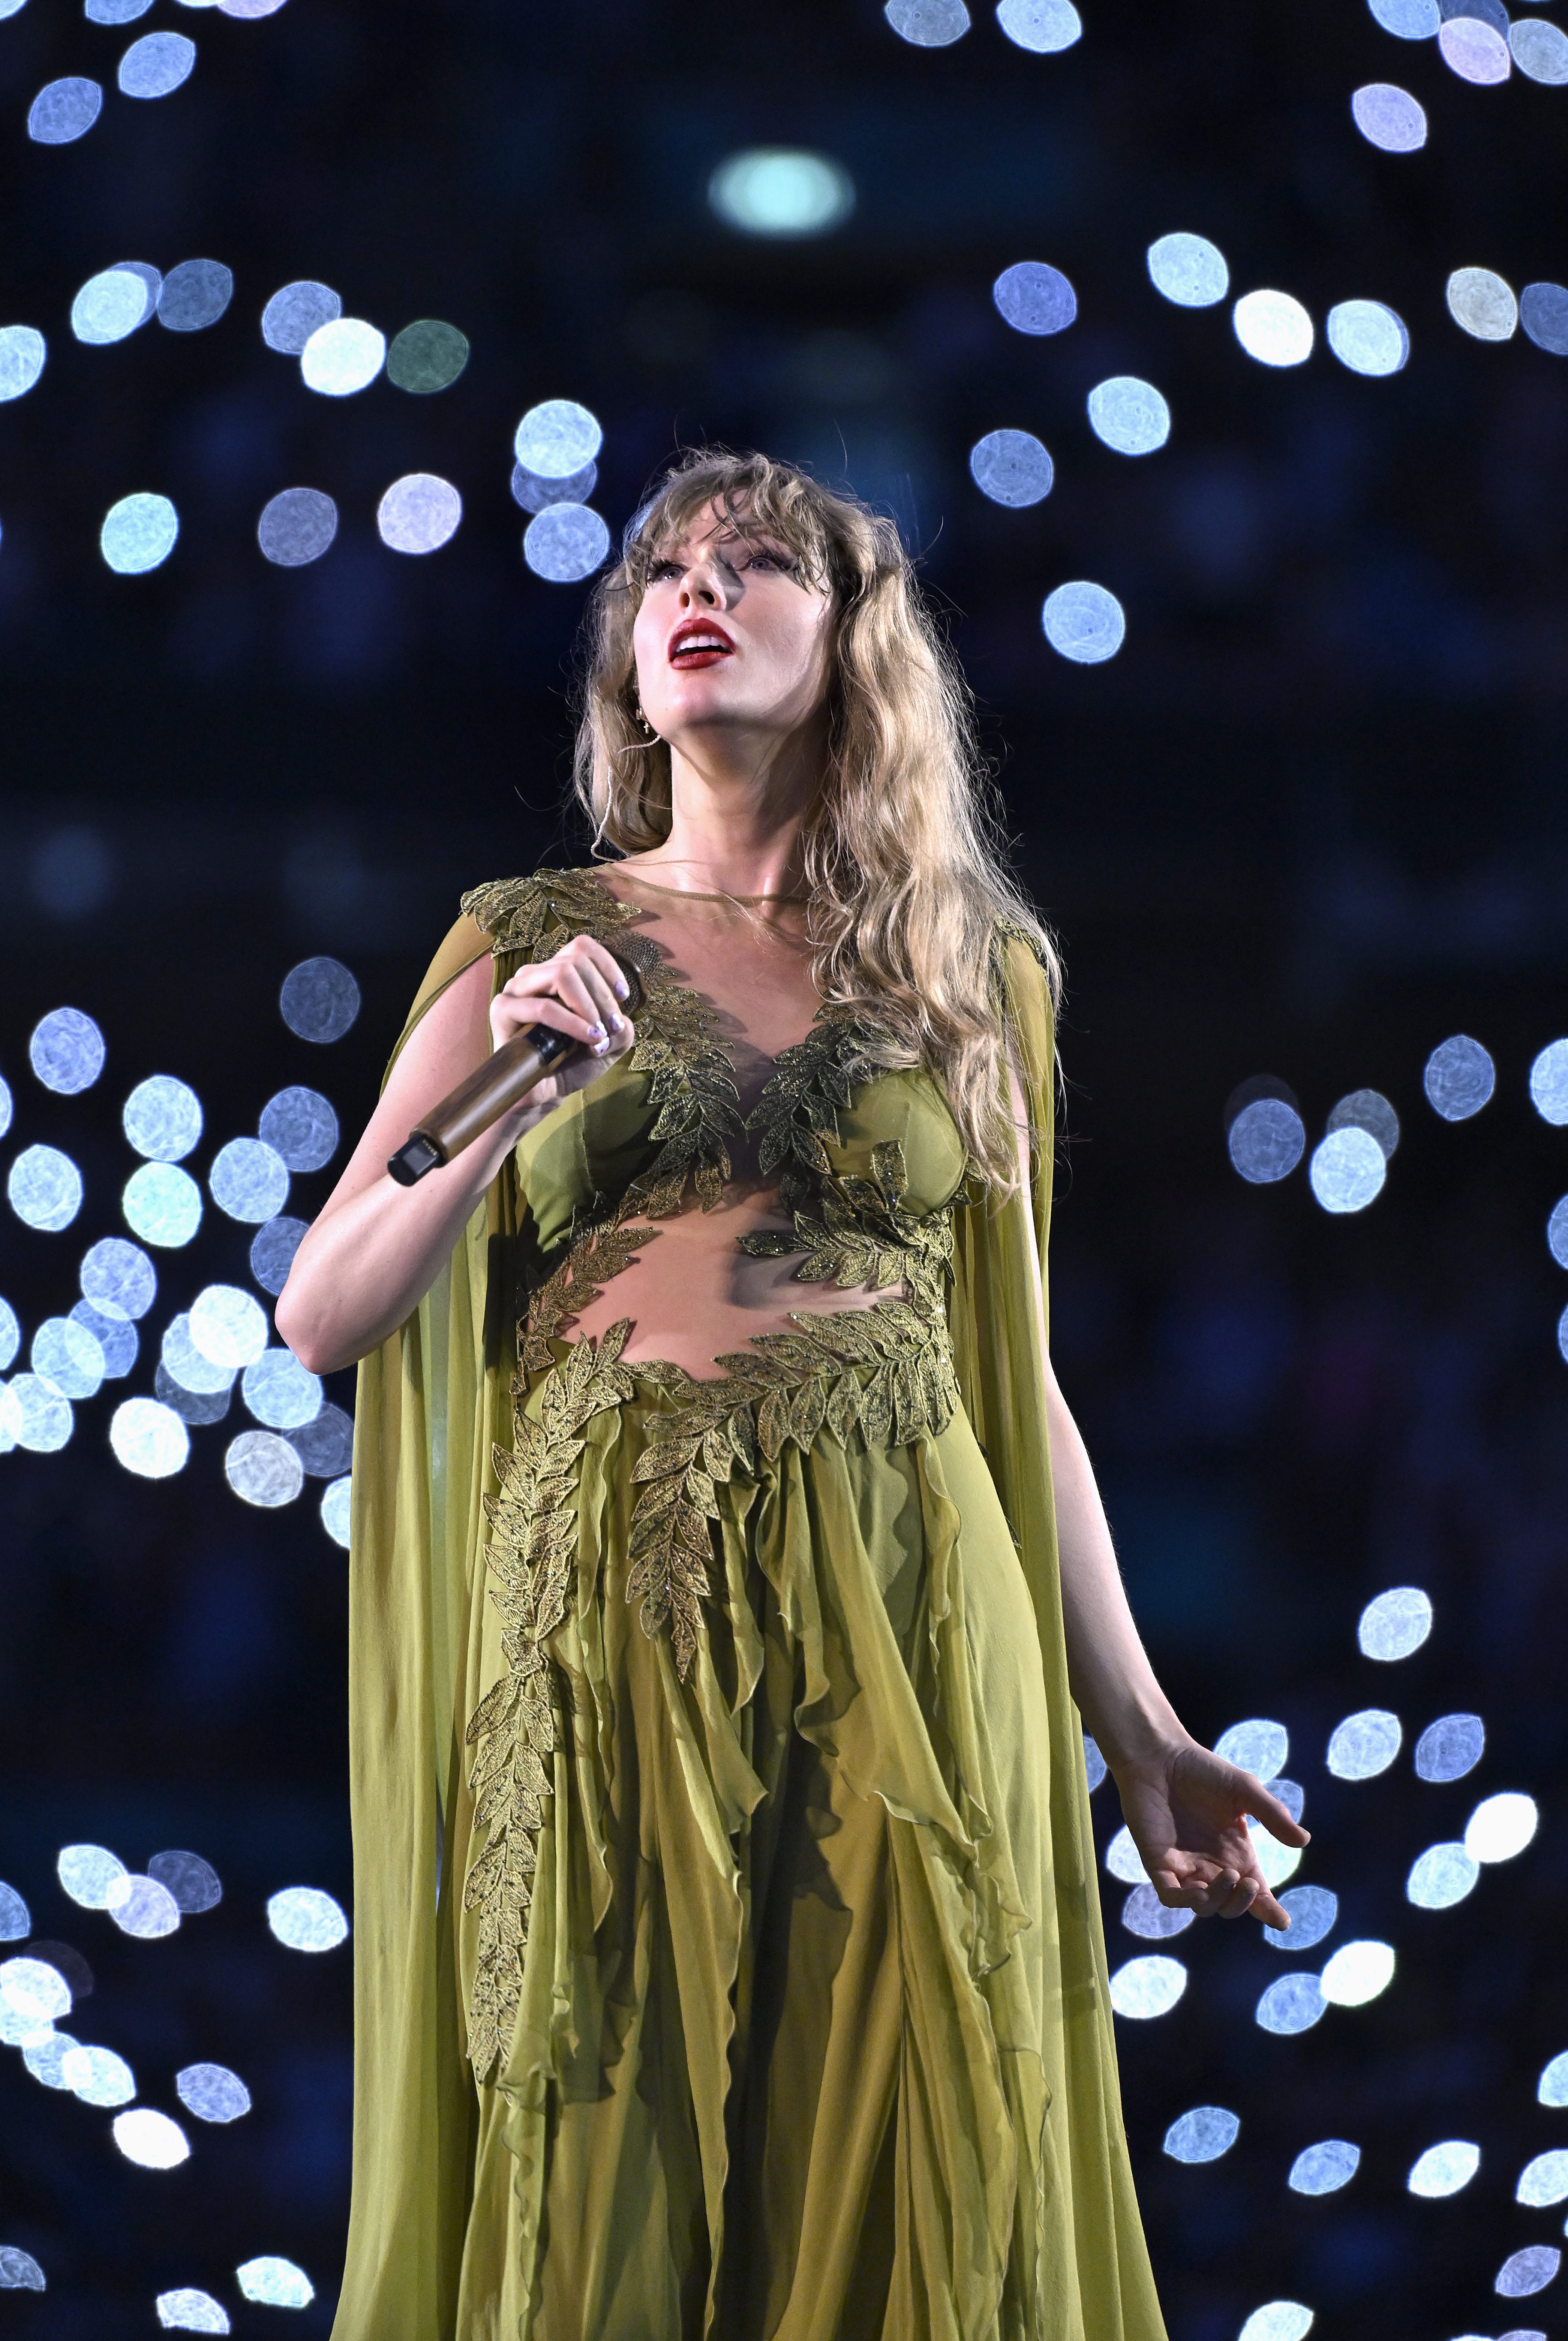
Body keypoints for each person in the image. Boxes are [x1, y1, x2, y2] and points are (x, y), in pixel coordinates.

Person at [277, 448, 1308, 2341]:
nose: (702, 587)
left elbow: (1018, 1378)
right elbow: (323, 1313)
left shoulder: (970, 970)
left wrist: (1141, 1730)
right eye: (668, 567)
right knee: (595, 2150)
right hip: (603, 1599)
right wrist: (511, 1095)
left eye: (761, 565)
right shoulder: (523, 939)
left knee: (921, 2152)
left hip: (915, 1592)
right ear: (630, 661)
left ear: (851, 646)